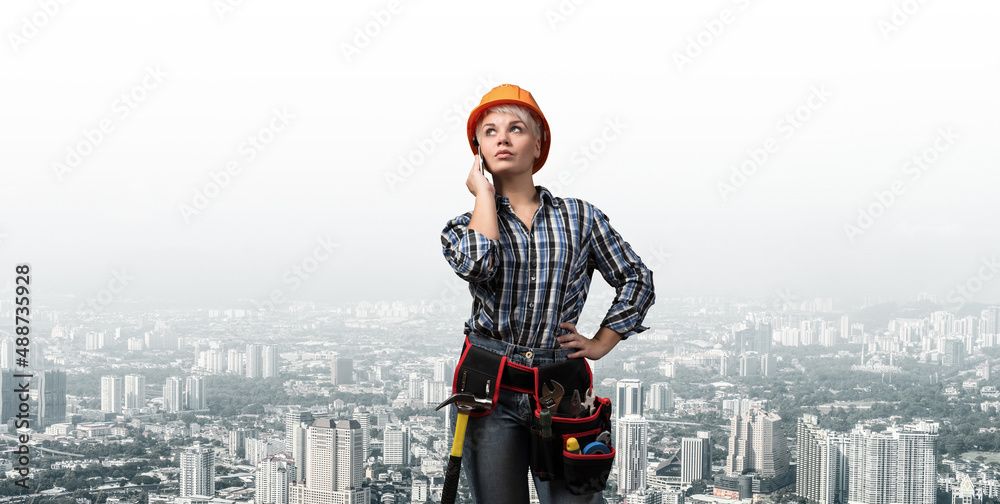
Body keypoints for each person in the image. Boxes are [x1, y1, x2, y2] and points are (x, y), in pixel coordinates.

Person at [440, 84, 655, 503]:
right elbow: (479, 264)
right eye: (490, 131)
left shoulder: (580, 217)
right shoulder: (460, 230)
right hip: (487, 388)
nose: (502, 138)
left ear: (538, 145)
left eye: (516, 128)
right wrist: (485, 194)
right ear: (478, 150)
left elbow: (636, 279)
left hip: (562, 390)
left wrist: (600, 343)